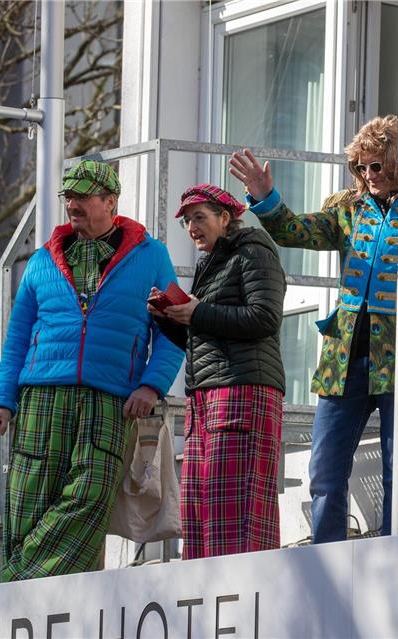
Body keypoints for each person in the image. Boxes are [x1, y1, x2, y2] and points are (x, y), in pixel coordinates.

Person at [229, 115, 398, 542]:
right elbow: (295, 231)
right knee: (324, 472)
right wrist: (265, 198)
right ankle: (328, 558)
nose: (367, 175)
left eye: (376, 165)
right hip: (343, 361)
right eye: (360, 167)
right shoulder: (346, 211)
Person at [0, 160, 184, 581]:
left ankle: (9, 583)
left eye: (82, 196)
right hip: (41, 395)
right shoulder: (43, 260)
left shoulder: (151, 255)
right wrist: (2, 400)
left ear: (110, 201)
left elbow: (171, 329)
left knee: (91, 496)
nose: (72, 204)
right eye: (68, 197)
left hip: (111, 400)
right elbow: (17, 337)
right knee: (28, 504)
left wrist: (151, 385)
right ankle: (28, 599)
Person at [149, 184, 286, 557]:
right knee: (200, 514)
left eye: (199, 217)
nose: (192, 227)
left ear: (225, 218)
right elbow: (207, 336)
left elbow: (265, 318)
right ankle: (207, 603)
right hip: (208, 397)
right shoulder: (212, 262)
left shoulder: (253, 252)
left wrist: (196, 312)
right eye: (187, 221)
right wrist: (169, 319)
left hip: (243, 392)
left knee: (237, 515)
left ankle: (243, 605)